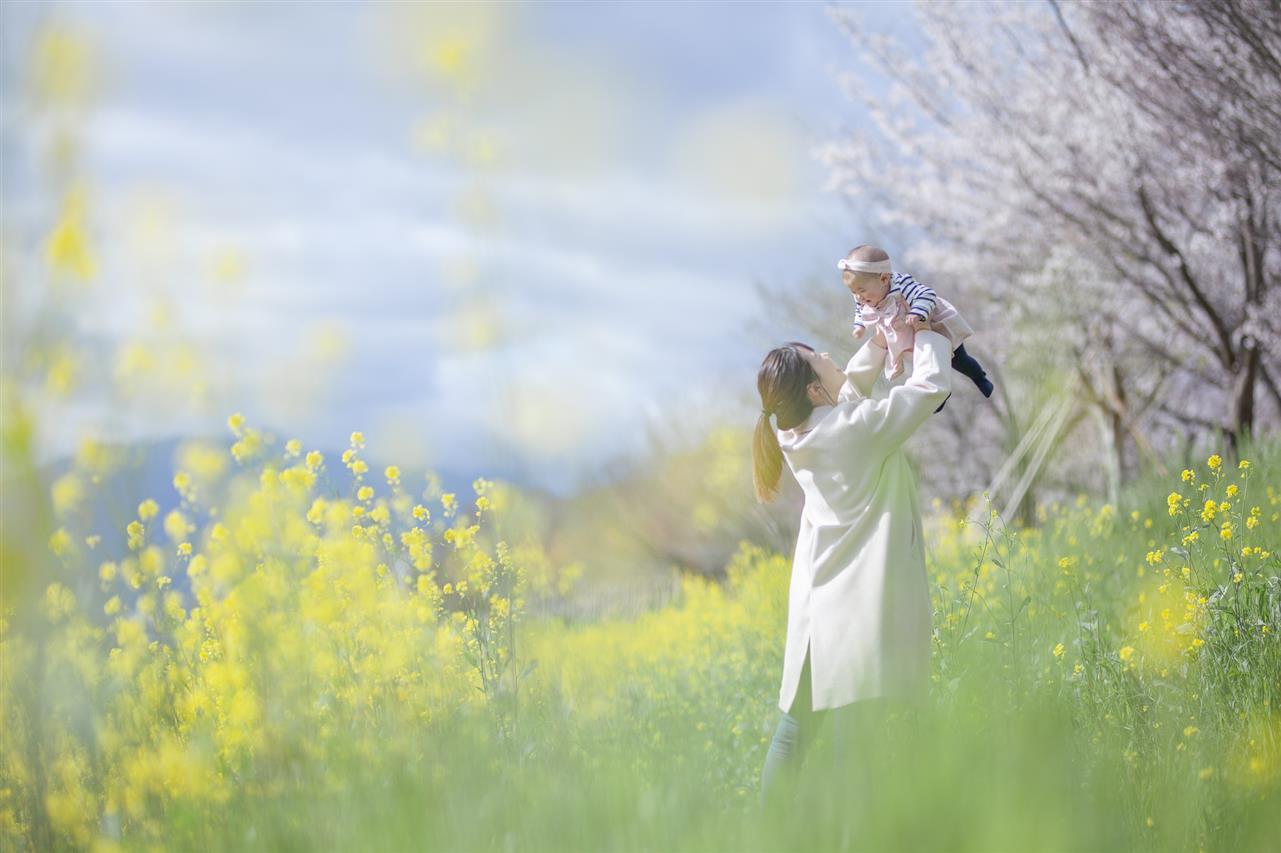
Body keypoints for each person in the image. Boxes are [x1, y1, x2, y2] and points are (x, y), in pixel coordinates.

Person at [752, 325, 951, 810]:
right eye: (817, 357)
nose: (825, 352)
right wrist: (928, 334)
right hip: (855, 613)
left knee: (793, 734)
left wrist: (883, 340)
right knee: (853, 761)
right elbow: (929, 389)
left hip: (818, 610)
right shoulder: (854, 431)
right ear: (813, 391)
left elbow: (848, 392)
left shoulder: (791, 430)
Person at [840, 244, 993, 410]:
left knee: (959, 361)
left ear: (884, 279)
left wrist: (917, 311)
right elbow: (860, 309)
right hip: (909, 336)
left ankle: (979, 377)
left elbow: (927, 294)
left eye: (861, 290)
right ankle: (938, 394)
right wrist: (859, 325)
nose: (858, 297)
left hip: (934, 327)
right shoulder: (862, 296)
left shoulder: (902, 285)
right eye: (853, 292)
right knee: (923, 366)